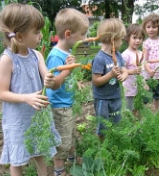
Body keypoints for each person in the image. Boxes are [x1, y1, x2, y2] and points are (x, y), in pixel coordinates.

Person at [0, 3, 61, 176]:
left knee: (39, 153)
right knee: (17, 161)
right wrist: (27, 98)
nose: (41, 36)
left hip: (37, 116)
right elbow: (2, 93)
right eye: (37, 32)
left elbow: (48, 77)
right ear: (19, 36)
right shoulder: (7, 60)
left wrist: (49, 78)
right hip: (18, 120)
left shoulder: (37, 55)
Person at [46, 8, 89, 176]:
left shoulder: (68, 52)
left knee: (71, 134)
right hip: (59, 106)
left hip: (67, 104)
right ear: (69, 34)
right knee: (62, 140)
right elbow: (53, 84)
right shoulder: (56, 56)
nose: (85, 39)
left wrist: (76, 82)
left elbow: (66, 79)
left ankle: (71, 160)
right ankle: (59, 170)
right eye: (83, 34)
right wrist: (67, 72)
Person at [91, 18, 128, 141]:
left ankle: (113, 144)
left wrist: (124, 75)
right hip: (103, 99)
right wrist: (111, 74)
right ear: (112, 39)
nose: (122, 42)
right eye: (121, 39)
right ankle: (102, 148)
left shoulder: (118, 55)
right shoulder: (99, 59)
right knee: (103, 127)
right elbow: (96, 81)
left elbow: (124, 70)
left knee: (116, 123)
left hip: (115, 97)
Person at [122, 23, 145, 115]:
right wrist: (132, 71)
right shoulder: (125, 54)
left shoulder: (140, 53)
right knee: (128, 111)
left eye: (140, 38)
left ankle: (137, 127)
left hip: (138, 89)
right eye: (134, 37)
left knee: (138, 109)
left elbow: (142, 72)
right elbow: (120, 71)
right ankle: (129, 127)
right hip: (128, 89)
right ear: (128, 38)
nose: (137, 41)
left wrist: (144, 83)